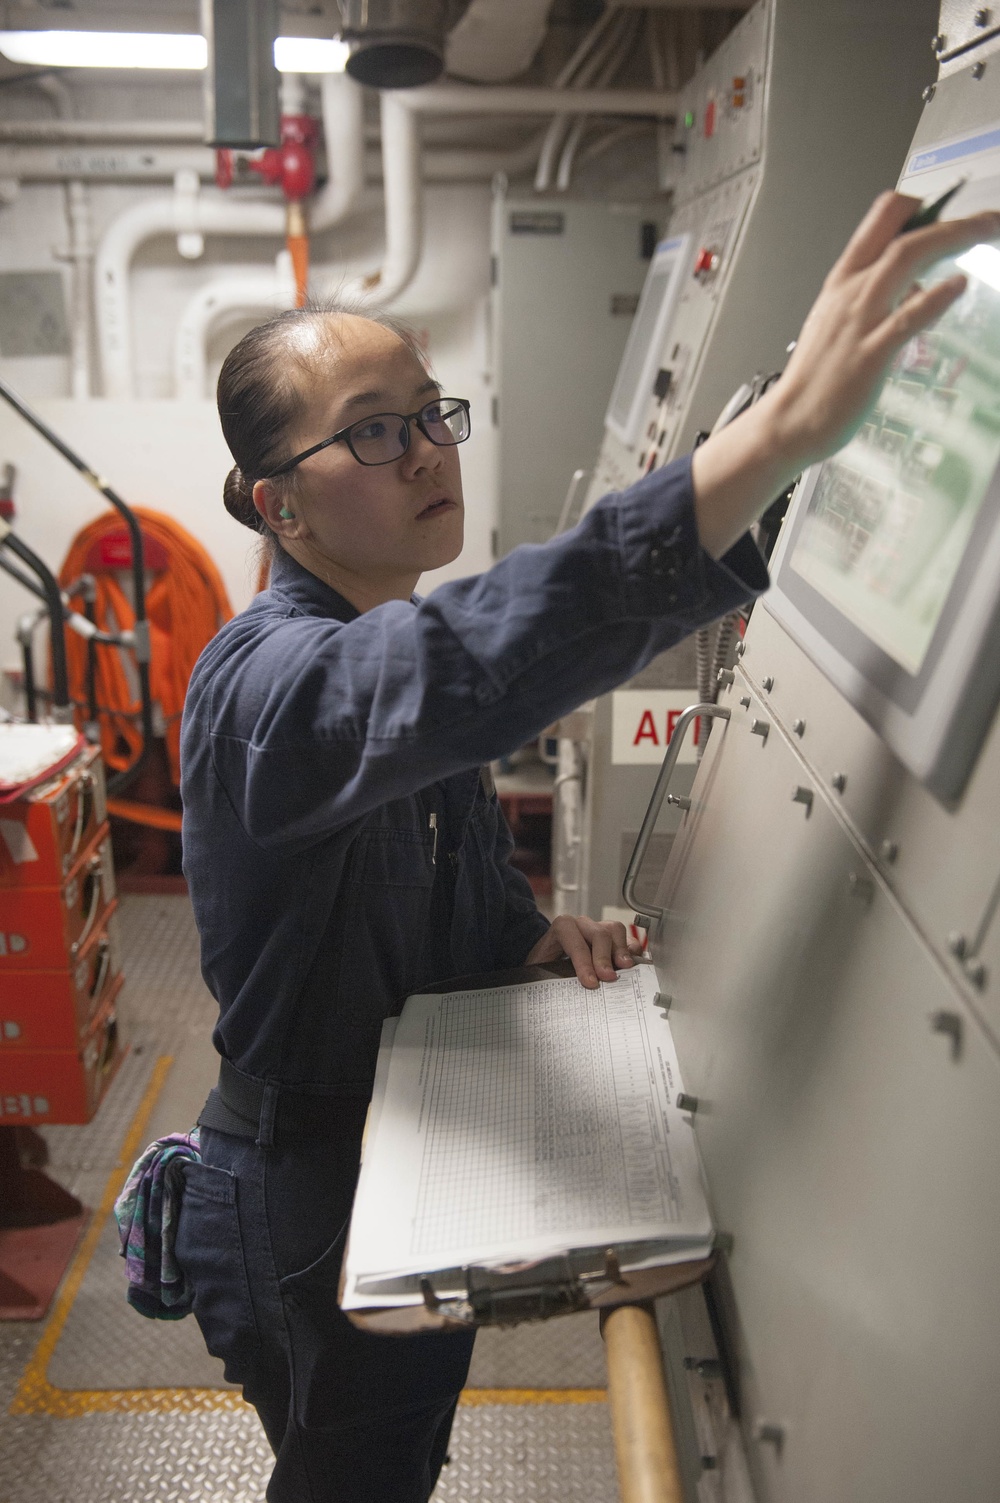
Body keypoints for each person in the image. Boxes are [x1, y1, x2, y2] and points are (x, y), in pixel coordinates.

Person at [176, 193, 999, 1503]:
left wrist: (523, 936)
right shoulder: (267, 689)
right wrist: (772, 439)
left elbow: (440, 842)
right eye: (374, 434)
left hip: (395, 1154)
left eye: (429, 414)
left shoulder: (383, 634)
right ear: (283, 509)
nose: (424, 452)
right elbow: (447, 680)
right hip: (304, 1199)